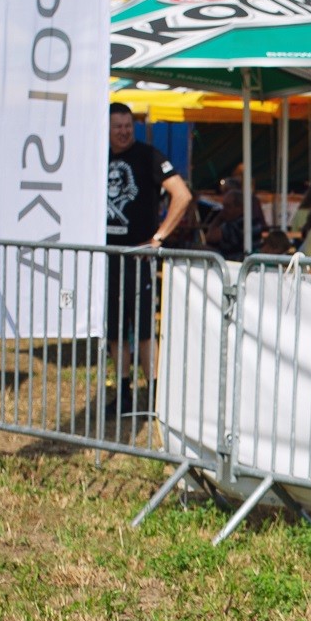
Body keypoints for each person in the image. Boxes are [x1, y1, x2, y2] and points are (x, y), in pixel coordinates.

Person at [105, 104, 196, 407]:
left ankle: (155, 393)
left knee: (143, 328)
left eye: (128, 125)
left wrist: (158, 238)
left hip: (139, 257)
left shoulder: (148, 155)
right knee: (115, 330)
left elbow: (182, 195)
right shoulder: (97, 156)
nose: (124, 131)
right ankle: (123, 392)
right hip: (107, 257)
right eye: (117, 126)